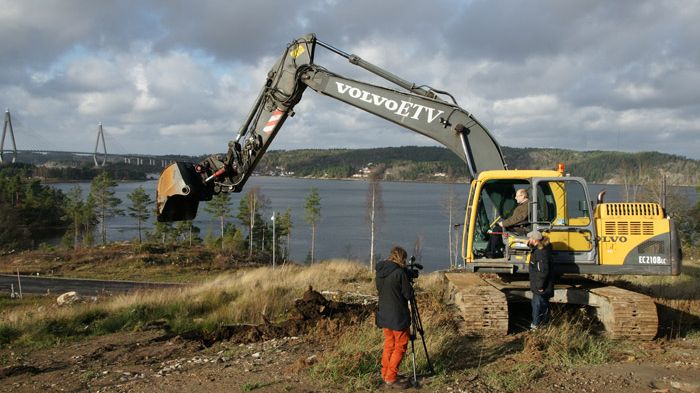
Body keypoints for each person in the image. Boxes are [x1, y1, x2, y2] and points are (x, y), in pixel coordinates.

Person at [375, 246, 414, 388]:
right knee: (401, 345)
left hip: (384, 315)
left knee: (389, 344)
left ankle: (385, 373)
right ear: (401, 258)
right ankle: (391, 377)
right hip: (398, 317)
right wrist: (409, 284)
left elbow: (380, 290)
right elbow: (408, 294)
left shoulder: (380, 273)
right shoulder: (399, 273)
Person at [486, 188, 530, 258]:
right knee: (496, 229)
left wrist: (503, 224)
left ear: (523, 196)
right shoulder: (523, 205)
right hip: (517, 227)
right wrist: (503, 223)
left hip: (520, 229)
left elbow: (519, 218)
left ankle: (492, 252)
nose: (515, 198)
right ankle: (489, 251)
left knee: (497, 229)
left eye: (517, 196)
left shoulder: (527, 205)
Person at [527, 230, 554, 329]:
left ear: (535, 240)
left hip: (541, 287)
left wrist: (540, 286)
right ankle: (543, 325)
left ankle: (537, 325)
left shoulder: (541, 253)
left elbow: (543, 271)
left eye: (530, 238)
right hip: (540, 285)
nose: (528, 240)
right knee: (540, 305)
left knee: (538, 306)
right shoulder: (539, 249)